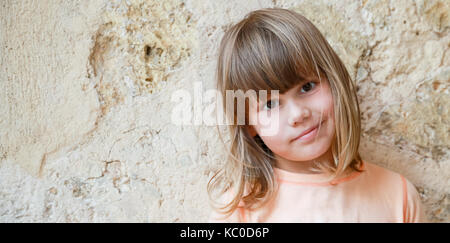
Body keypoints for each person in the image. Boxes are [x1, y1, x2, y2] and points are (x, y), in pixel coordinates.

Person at [206, 8, 427, 223]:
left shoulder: (398, 195)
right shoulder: (239, 211)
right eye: (271, 104)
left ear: (334, 80)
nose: (298, 114)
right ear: (248, 124)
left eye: (307, 87)